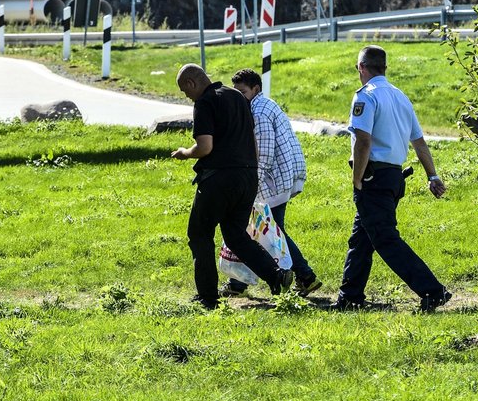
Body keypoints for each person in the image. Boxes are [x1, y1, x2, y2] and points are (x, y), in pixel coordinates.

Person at [333, 45, 451, 312]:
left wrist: (357, 179)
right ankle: (350, 296)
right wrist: (432, 175)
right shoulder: (400, 96)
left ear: (362, 67)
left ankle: (433, 291)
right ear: (383, 68)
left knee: (386, 239)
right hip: (395, 177)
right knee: (361, 239)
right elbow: (419, 143)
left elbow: (363, 141)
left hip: (374, 177)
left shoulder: (366, 96)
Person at [171, 64, 294, 310]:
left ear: (192, 84)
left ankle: (208, 298)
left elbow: (205, 147)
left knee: (200, 235)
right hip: (247, 176)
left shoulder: (205, 102)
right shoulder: (237, 97)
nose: (186, 96)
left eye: (185, 91)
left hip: (219, 179)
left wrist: (185, 153)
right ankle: (277, 276)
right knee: (236, 236)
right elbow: (252, 140)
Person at [221, 69, 322, 297]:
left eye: (242, 91)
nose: (239, 96)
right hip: (281, 178)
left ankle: (305, 276)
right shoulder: (264, 105)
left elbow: (263, 153)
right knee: (260, 230)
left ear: (255, 89)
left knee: (268, 232)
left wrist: (250, 185)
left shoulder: (258, 112)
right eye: (236, 92)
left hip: (270, 181)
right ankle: (239, 283)